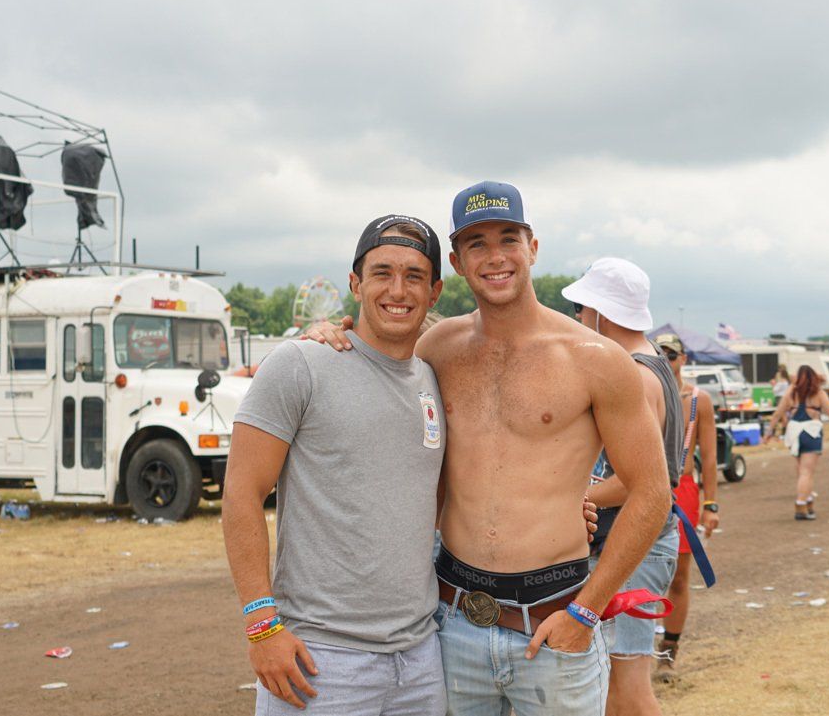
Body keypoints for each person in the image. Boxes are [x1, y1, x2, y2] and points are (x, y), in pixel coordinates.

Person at [306, 182, 673, 715]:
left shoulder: (595, 358)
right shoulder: (437, 349)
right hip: (454, 624)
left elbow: (651, 492)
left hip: (556, 624)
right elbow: (373, 350)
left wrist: (586, 613)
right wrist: (328, 331)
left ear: (533, 247)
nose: (495, 256)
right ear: (455, 262)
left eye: (508, 238)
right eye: (477, 244)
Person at [222, 215, 450, 715]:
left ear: (434, 292)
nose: (398, 289)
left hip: (420, 659)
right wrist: (262, 625)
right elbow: (240, 494)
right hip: (322, 660)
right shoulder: (301, 364)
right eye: (382, 272)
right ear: (355, 283)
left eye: (414, 276)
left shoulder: (436, 379)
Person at [563, 258, 683, 716]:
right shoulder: (655, 361)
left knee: (627, 683)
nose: (577, 318)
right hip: (648, 539)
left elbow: (640, 484)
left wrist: (573, 497)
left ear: (603, 313)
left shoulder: (632, 371)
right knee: (618, 677)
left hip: (636, 543)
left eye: (582, 308)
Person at [652, 333, 719, 686]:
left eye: (672, 355)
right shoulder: (643, 390)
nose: (666, 359)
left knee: (678, 574)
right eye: (659, 354)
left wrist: (711, 503)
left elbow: (709, 456)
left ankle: (668, 650)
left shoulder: (698, 400)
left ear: (684, 359)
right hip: (643, 490)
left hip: (684, 491)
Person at [765, 365, 829, 520]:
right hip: (811, 433)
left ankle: (808, 501)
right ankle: (800, 505)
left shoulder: (791, 392)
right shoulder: (819, 393)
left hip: (794, 433)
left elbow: (777, 413)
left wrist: (768, 433)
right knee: (806, 473)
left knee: (801, 471)